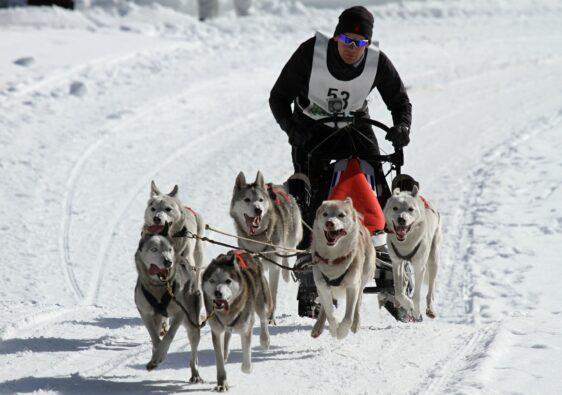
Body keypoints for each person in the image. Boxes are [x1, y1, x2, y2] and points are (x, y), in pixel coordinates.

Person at [269, 5, 412, 260]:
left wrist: (402, 126)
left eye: (360, 42)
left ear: (367, 44)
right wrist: (291, 128)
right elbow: (278, 97)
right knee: (310, 189)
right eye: (346, 39)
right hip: (311, 128)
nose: (352, 47)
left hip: (354, 126)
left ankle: (386, 245)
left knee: (377, 178)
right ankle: (308, 251)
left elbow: (399, 101)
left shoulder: (376, 61)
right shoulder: (310, 53)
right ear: (336, 37)